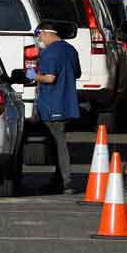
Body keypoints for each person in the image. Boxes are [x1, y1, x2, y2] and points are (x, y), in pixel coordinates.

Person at [26, 22, 81, 195]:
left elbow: (49, 78)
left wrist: (34, 75)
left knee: (59, 143)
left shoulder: (49, 53)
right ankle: (58, 181)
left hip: (52, 104)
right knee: (57, 141)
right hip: (67, 102)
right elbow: (77, 73)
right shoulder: (71, 50)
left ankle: (66, 182)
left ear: (46, 33)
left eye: (39, 35)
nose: (39, 40)